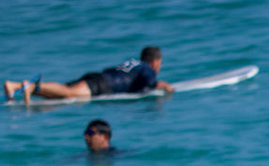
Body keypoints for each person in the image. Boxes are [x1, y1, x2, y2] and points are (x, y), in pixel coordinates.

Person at [7, 46, 173, 103]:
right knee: (68, 94)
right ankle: (29, 86)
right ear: (156, 61)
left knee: (63, 91)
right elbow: (150, 84)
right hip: (103, 85)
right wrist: (164, 86)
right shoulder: (147, 68)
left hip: (98, 78)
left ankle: (16, 86)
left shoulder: (134, 63)